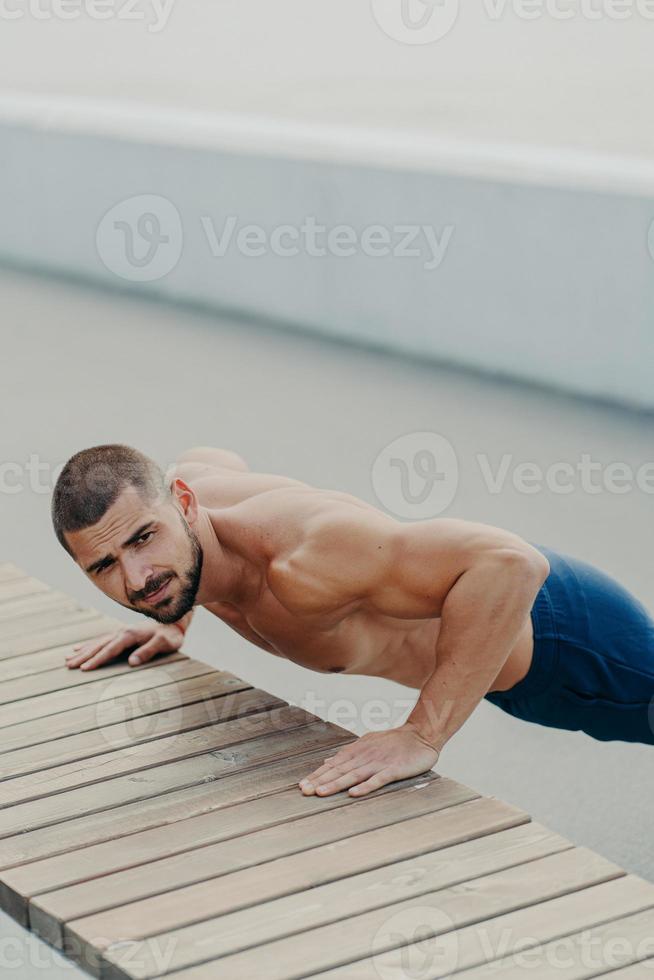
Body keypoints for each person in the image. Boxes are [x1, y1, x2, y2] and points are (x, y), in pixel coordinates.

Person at [51, 444, 654, 800]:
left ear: (183, 504)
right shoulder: (186, 509)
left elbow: (511, 565)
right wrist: (172, 616)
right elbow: (211, 455)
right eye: (104, 564)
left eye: (143, 539)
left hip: (565, 645)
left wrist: (423, 734)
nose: (135, 579)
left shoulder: (306, 560)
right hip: (493, 641)